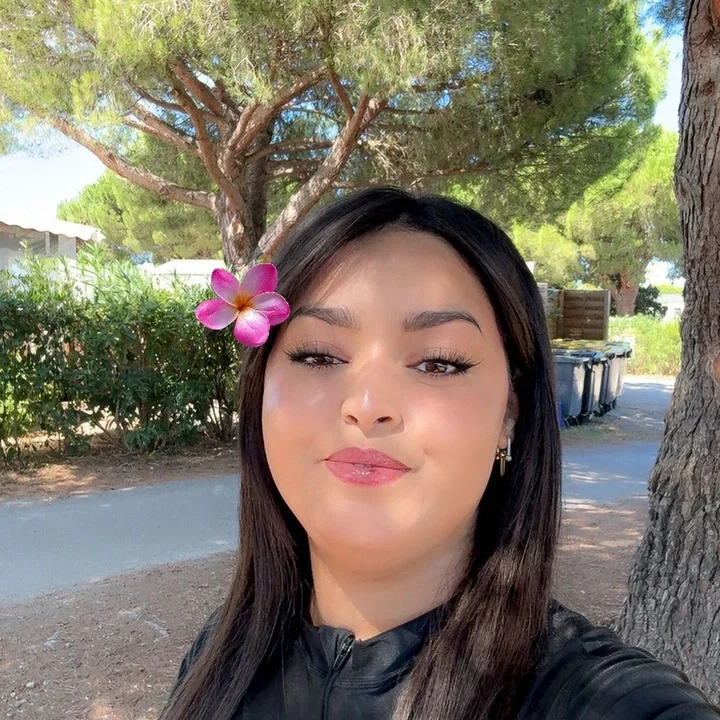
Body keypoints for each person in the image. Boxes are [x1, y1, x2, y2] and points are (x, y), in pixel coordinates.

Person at [160, 188, 719, 720]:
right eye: (318, 355)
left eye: (438, 363)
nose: (368, 406)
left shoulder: (608, 701)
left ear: (510, 412)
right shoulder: (220, 660)